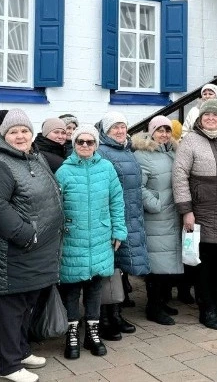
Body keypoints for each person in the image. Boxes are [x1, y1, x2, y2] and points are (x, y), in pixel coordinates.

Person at [0, 109, 64, 381]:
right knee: (13, 309)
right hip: (13, 251)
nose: (20, 136)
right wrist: (24, 234)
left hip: (38, 248)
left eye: (24, 131)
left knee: (28, 304)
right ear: (4, 135)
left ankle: (21, 350)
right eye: (14, 132)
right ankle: (9, 365)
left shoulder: (35, 158)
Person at [56, 125, 127, 359]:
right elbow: (56, 207)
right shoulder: (63, 172)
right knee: (71, 288)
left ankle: (93, 334)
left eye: (89, 142)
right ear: (74, 144)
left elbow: (116, 201)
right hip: (72, 239)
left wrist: (118, 230)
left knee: (96, 287)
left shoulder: (107, 169)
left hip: (100, 237)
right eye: (80, 142)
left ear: (96, 144)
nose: (85, 145)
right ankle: (72, 333)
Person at [173, 99, 217, 330]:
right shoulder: (190, 141)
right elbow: (180, 177)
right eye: (206, 116)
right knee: (205, 267)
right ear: (200, 119)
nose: (211, 119)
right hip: (202, 213)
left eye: (215, 116)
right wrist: (186, 211)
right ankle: (207, 309)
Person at [95, 112, 149, 340]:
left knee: (117, 270)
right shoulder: (102, 152)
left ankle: (115, 314)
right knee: (107, 270)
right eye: (114, 128)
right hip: (111, 220)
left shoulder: (126, 150)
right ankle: (103, 319)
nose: (119, 131)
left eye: (122, 127)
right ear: (105, 132)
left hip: (129, 217)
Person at [132, 116, 183, 326]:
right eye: (159, 130)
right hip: (157, 217)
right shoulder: (142, 155)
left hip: (173, 216)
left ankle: (162, 301)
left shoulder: (172, 153)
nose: (164, 134)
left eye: (167, 130)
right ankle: (153, 306)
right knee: (156, 266)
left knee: (169, 263)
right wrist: (156, 203)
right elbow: (138, 186)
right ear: (151, 132)